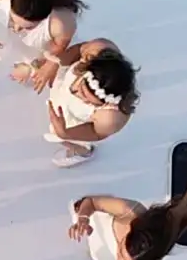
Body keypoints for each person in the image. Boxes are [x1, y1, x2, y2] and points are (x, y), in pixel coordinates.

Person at [43, 39, 139, 168]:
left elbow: (96, 133)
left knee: (59, 135)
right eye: (81, 88)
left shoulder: (110, 118)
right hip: (61, 94)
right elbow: (79, 49)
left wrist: (66, 133)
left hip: (74, 121)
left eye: (87, 100)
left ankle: (83, 151)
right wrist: (56, 63)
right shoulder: (97, 49)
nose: (76, 93)